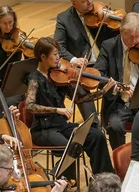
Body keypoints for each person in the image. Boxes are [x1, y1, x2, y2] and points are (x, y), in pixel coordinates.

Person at [25, 37, 115, 179]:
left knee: (96, 136)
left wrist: (102, 92)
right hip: (43, 129)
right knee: (71, 146)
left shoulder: (58, 76)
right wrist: (57, 110)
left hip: (61, 126)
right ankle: (61, 181)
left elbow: (79, 99)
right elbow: (29, 106)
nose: (58, 58)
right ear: (43, 57)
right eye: (54, 54)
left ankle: (105, 178)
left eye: (58, 54)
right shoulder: (34, 78)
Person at [54, 0, 116, 120]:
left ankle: (109, 121)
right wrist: (73, 59)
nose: (89, 2)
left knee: (115, 85)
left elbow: (115, 36)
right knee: (81, 93)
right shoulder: (64, 19)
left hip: (104, 62)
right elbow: (58, 47)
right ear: (74, 3)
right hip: (82, 69)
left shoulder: (100, 12)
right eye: (84, 1)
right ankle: (93, 125)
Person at [93, 12, 139, 149]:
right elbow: (98, 76)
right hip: (118, 103)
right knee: (115, 126)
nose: (135, 41)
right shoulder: (108, 46)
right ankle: (120, 162)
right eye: (131, 37)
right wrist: (118, 87)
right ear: (121, 31)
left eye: (138, 36)